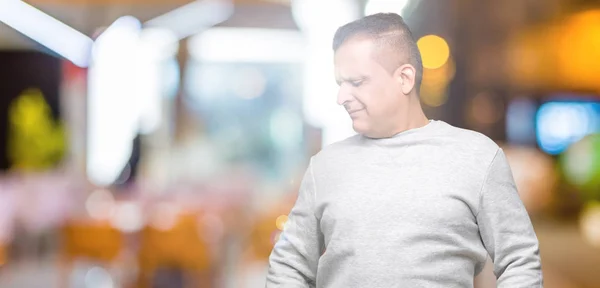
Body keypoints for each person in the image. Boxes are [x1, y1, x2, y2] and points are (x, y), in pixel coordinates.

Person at [266, 13, 543, 288]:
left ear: (405, 78)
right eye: (341, 84)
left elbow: (519, 261)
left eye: (357, 82)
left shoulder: (478, 157)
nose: (341, 98)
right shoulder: (325, 166)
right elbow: (288, 266)